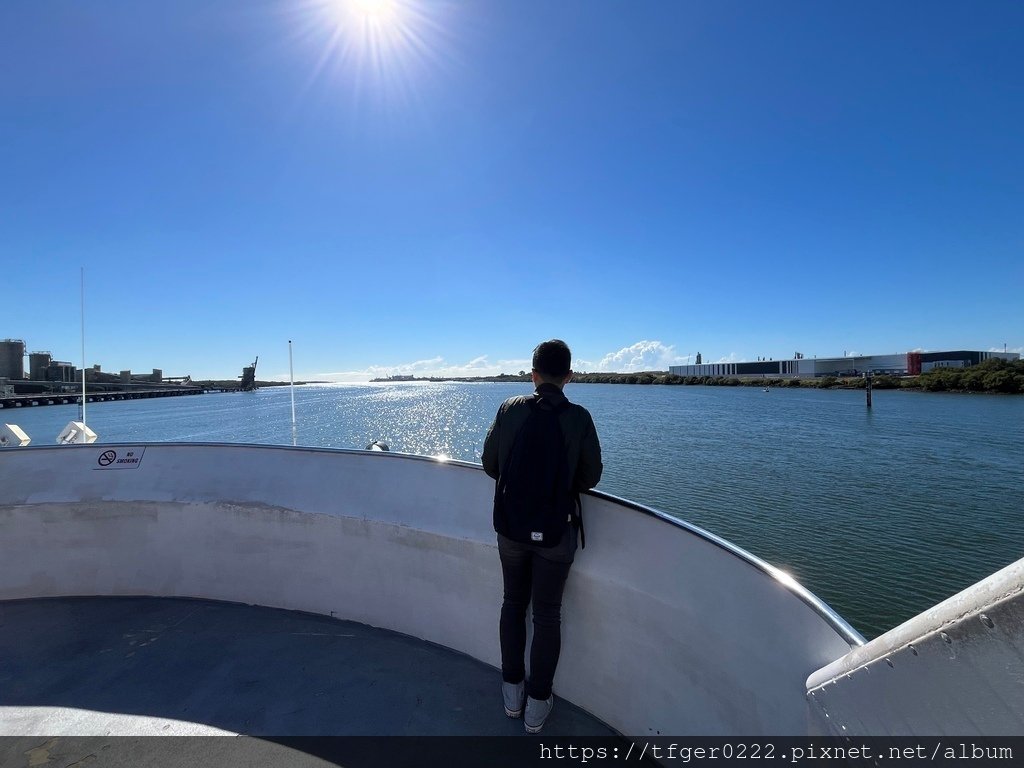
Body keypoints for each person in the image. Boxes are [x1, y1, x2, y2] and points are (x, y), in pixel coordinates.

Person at [481, 339, 602, 734]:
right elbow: (590, 477)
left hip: (511, 529)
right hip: (554, 534)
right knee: (547, 615)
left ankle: (511, 692)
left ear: (532, 374)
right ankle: (537, 704)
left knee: (513, 604)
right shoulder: (579, 418)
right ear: (569, 377)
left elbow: (489, 464)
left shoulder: (509, 409)